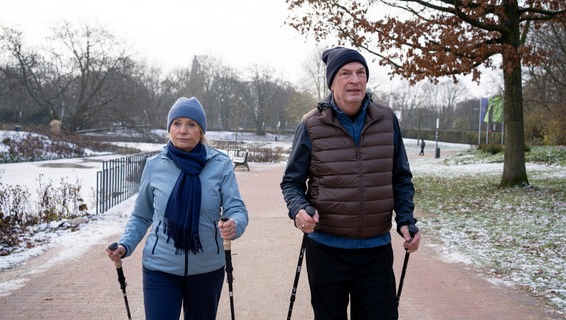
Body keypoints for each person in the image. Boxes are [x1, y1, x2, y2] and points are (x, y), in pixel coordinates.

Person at [280, 47, 421, 320]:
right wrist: (298, 209)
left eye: (360, 73)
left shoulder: (387, 120)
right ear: (332, 82)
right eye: (345, 73)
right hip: (327, 250)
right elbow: (291, 182)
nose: (354, 79)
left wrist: (405, 219)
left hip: (375, 251)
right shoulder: (311, 125)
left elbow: (401, 177)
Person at [106, 97, 249, 320]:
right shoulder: (154, 166)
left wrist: (234, 225)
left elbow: (237, 210)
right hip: (160, 269)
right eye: (177, 123)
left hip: (207, 269)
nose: (183, 130)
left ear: (201, 130)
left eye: (191, 124)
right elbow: (141, 216)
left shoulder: (220, 165)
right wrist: (126, 244)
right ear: (169, 128)